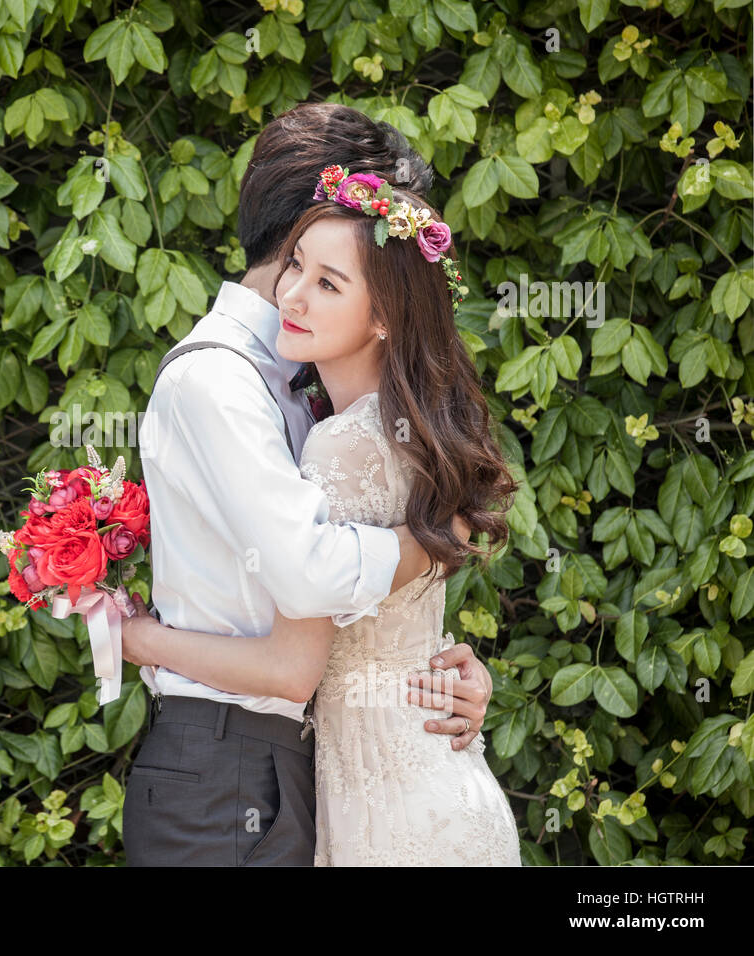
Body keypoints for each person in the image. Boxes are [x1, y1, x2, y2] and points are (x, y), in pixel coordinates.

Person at [120, 104, 495, 866]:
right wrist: (437, 544)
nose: (300, 293)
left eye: (330, 280)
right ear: (308, 217)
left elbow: (341, 628)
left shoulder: (333, 399)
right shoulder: (218, 380)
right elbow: (306, 575)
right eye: (304, 265)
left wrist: (447, 671)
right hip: (226, 762)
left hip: (318, 762)